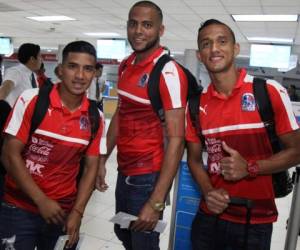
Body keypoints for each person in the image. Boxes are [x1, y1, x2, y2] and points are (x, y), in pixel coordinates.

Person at [186, 19, 300, 250]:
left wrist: (249, 167)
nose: (214, 49)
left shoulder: (267, 91)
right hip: (209, 217)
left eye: (222, 41)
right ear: (199, 55)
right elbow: (194, 160)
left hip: (254, 220)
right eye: (206, 44)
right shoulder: (196, 104)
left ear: (235, 48)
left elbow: (297, 151)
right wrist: (208, 192)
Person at [96, 1, 188, 249]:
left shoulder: (168, 73)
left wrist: (156, 201)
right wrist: (103, 159)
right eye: (133, 23)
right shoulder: (127, 64)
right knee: (123, 231)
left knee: (144, 241)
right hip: (125, 171)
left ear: (161, 30)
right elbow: (120, 114)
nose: (138, 31)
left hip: (148, 177)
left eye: (147, 25)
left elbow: (177, 140)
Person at [0, 40, 105, 250]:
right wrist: (41, 200)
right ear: (60, 70)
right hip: (18, 208)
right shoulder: (32, 100)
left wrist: (77, 212)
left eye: (88, 69)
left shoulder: (95, 117)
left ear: (94, 74)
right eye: (72, 66)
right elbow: (9, 155)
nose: (80, 75)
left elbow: (91, 168)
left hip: (63, 212)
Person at [0, 43, 42, 107]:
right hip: (14, 115)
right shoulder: (16, 72)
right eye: (40, 56)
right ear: (32, 59)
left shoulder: (33, 75)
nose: (41, 59)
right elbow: (5, 89)